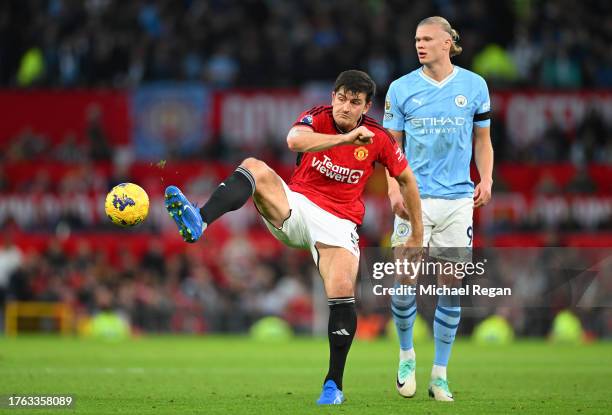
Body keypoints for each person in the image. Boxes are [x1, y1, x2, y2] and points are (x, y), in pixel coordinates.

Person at [164, 70, 424, 405]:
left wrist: (417, 233)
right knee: (254, 166)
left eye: (355, 102)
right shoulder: (317, 116)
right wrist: (344, 140)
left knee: (343, 291)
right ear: (333, 97)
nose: (345, 107)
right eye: (341, 98)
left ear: (366, 106)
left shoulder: (380, 138)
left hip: (340, 222)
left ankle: (333, 385)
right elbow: (294, 141)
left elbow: (407, 181)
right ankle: (200, 220)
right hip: (296, 207)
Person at [383, 16, 494, 402]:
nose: (420, 44)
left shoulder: (474, 85)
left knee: (451, 284)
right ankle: (406, 355)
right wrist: (392, 192)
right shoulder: (400, 89)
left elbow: (483, 139)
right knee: (404, 279)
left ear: (448, 42)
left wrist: (487, 177)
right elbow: (388, 149)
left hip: (459, 200)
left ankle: (440, 374)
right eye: (416, 39)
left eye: (428, 38)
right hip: (414, 200)